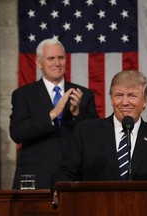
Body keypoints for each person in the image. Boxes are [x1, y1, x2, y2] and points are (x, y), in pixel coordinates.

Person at [51, 70, 147, 205]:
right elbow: (65, 171)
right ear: (111, 98)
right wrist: (59, 190)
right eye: (119, 95)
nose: (125, 102)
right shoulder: (85, 132)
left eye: (132, 96)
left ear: (145, 101)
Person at [10, 38, 99, 189]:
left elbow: (95, 136)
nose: (57, 63)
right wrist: (53, 114)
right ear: (38, 63)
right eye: (51, 58)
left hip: (74, 174)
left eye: (61, 58)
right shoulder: (23, 95)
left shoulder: (84, 94)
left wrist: (77, 114)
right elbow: (17, 133)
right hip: (36, 175)